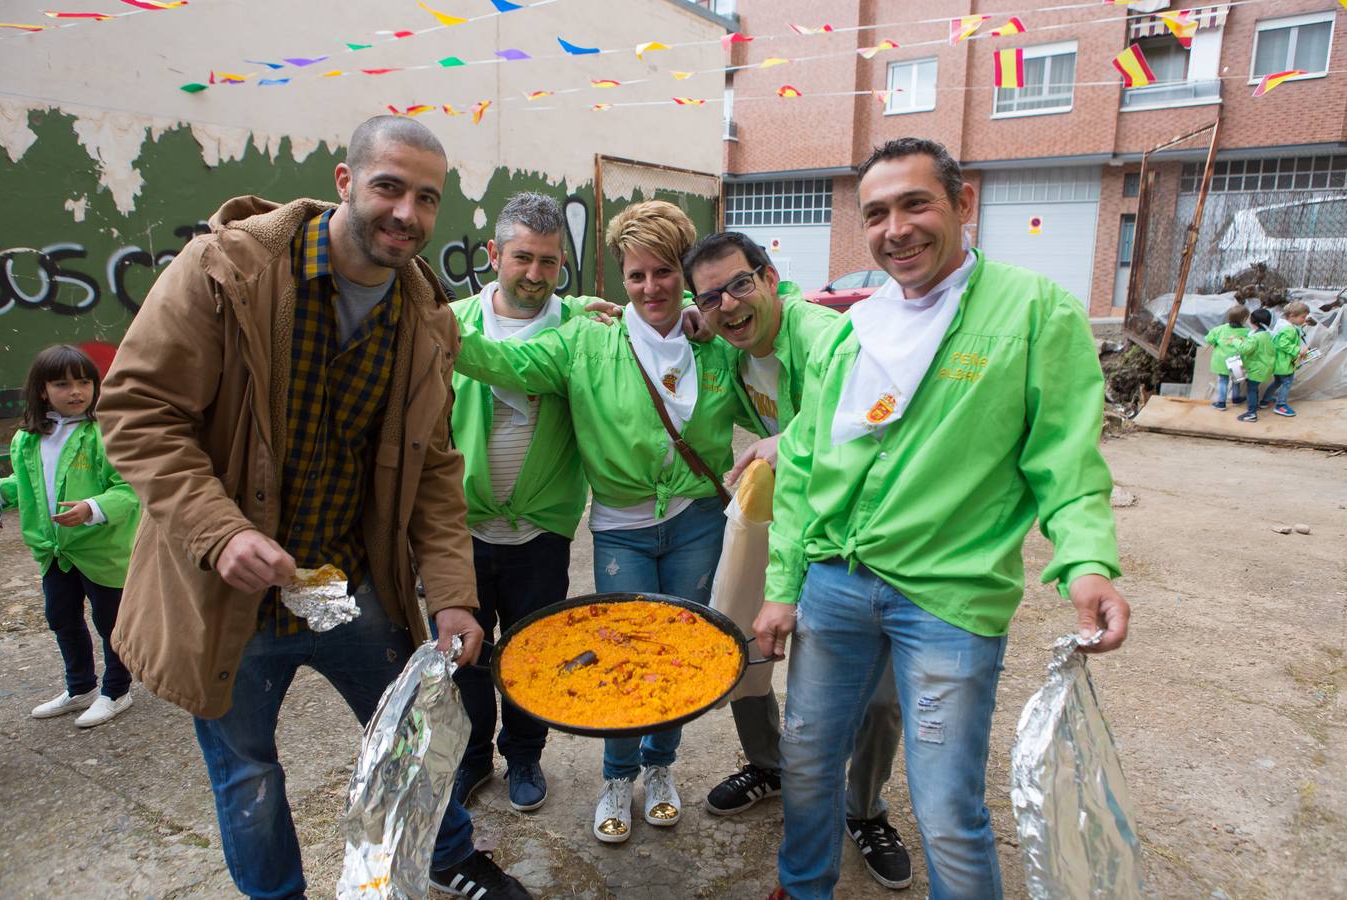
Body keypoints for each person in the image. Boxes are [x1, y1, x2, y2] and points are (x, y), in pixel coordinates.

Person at [97, 116, 530, 900]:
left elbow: (433, 469)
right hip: (223, 591)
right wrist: (217, 530)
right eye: (389, 186)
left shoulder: (423, 318)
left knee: (412, 732)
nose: (406, 213)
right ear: (345, 181)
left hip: (352, 584)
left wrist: (455, 595)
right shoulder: (226, 270)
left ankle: (448, 856)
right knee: (250, 773)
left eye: (426, 198)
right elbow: (136, 411)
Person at [753, 138, 1131, 900]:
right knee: (807, 758)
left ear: (962, 205)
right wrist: (783, 583)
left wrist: (1086, 561)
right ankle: (802, 887)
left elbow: (1064, 456)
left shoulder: (1033, 311)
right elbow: (803, 468)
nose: (897, 228)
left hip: (947, 603)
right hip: (834, 583)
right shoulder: (858, 328)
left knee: (948, 806)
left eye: (915, 204)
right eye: (878, 213)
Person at [452, 199, 754, 845]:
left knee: (674, 652)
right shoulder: (589, 338)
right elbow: (509, 364)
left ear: (685, 272)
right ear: (620, 276)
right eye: (637, 274)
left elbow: (775, 387)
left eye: (665, 272)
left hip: (698, 520)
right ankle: (618, 777)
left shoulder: (718, 347)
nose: (651, 288)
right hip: (620, 527)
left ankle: (661, 767)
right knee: (618, 652)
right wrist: (440, 331)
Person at [682, 232, 912, 891]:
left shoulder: (821, 334)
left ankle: (864, 809)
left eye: (739, 285)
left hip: (862, 537)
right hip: (785, 519)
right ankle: (769, 763)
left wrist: (793, 436)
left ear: (770, 277)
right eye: (712, 296)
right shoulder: (726, 347)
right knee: (742, 635)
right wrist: (648, 321)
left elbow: (881, 409)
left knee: (879, 695)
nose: (727, 305)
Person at [448, 192, 593, 813]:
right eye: (523, 259)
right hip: (462, 531)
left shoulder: (582, 324)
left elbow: (663, 298)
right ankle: (474, 755)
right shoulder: (451, 322)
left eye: (550, 262)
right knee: (466, 653)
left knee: (535, 649)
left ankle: (526, 755)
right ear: (493, 255)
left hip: (542, 532)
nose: (536, 275)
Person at [0, 345, 140, 728]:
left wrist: (92, 508)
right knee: (61, 617)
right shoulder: (27, 439)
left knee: (111, 623)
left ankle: (116, 690)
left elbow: (129, 487)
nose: (75, 391)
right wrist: (2, 492)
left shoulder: (105, 432)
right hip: (54, 549)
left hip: (102, 550)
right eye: (62, 383)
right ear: (42, 390)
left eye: (84, 382)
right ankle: (80, 686)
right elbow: (27, 483)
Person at [1260, 301, 1310, 417]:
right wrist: (1299, 351)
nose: (1304, 319)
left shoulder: (1283, 324)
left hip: (1279, 361)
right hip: (1284, 363)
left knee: (1277, 382)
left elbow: (1289, 335)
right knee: (1286, 383)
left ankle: (1265, 401)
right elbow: (1283, 344)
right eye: (1303, 317)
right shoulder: (1288, 329)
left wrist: (1301, 326)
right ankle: (1280, 405)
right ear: (1292, 316)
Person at [1204, 305, 1250, 411]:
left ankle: (1221, 403)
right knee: (1236, 379)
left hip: (1221, 360)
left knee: (1223, 381)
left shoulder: (1220, 329)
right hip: (1236, 360)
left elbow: (1208, 339)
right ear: (1244, 319)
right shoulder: (1246, 332)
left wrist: (1215, 342)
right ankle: (1236, 398)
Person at [1238, 308, 1275, 423]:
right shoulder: (1267, 334)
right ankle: (1256, 406)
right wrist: (1247, 340)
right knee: (1254, 387)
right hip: (1266, 367)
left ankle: (1251, 414)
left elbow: (1244, 350)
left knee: (1251, 390)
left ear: (1253, 322)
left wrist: (1237, 341)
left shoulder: (1255, 337)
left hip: (1256, 368)